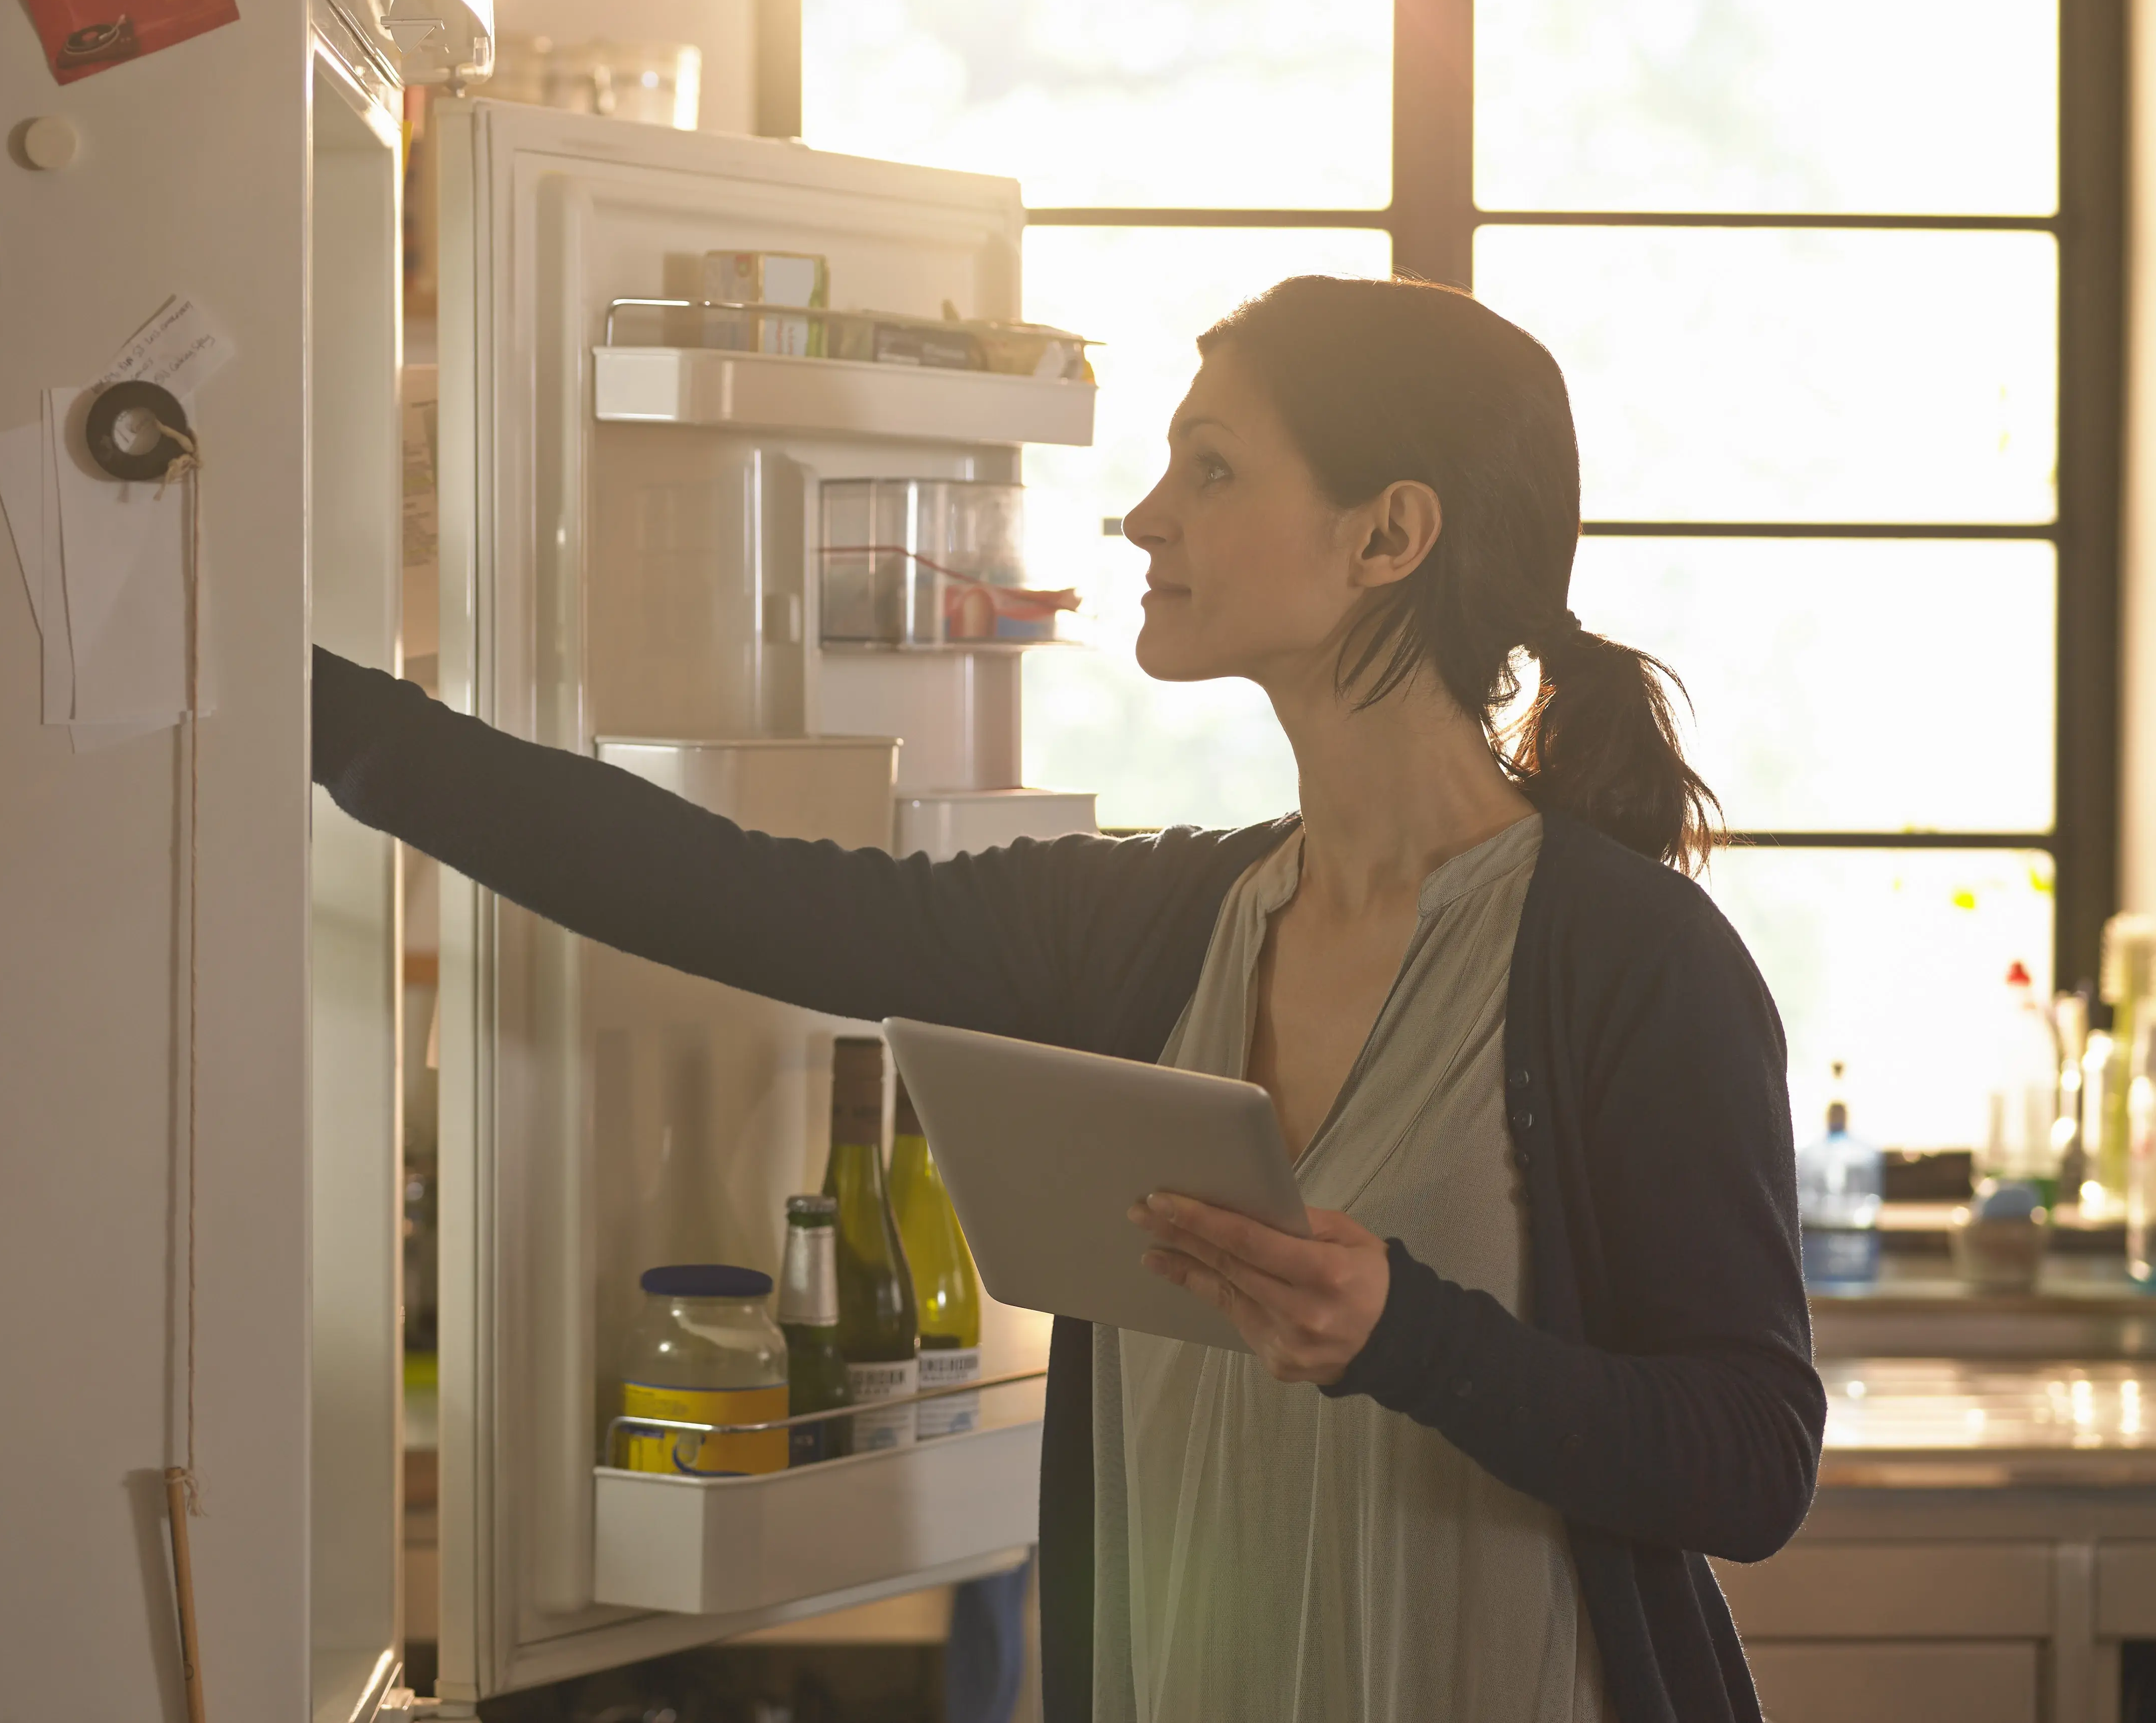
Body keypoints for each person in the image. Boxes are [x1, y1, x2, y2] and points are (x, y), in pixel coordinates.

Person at [313, 274, 1824, 1723]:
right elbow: (724, 889)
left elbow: (1750, 1462)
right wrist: (304, 702)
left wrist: (1411, 1337)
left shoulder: (1628, 958)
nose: (1144, 514)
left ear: (1389, 534)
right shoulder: (1154, 922)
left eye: (1212, 468)